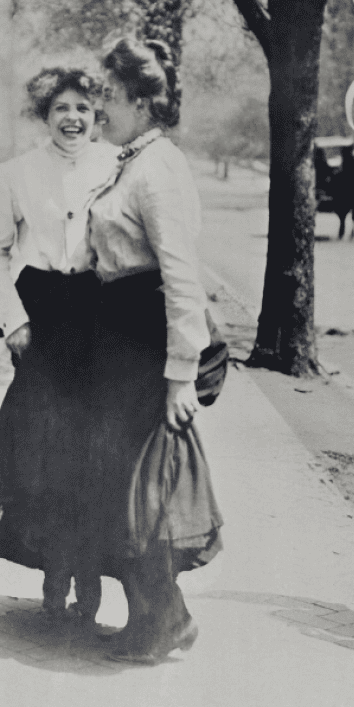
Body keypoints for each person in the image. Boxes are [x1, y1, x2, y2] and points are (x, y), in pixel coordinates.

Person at [87, 37, 223, 664]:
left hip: (147, 346)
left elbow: (181, 275)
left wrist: (180, 376)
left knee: (145, 490)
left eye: (109, 97)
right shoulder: (132, 161)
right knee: (120, 485)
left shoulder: (158, 167)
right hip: (121, 341)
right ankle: (155, 618)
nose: (98, 108)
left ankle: (165, 621)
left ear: (142, 103)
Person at [0, 67, 120, 623]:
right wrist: (13, 322)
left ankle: (92, 570)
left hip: (103, 317)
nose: (72, 118)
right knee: (46, 450)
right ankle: (56, 569)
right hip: (43, 320)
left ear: (97, 114)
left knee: (99, 452)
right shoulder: (14, 174)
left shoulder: (117, 166)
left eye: (83, 108)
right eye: (61, 108)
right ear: (44, 114)